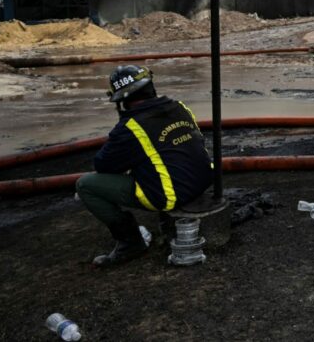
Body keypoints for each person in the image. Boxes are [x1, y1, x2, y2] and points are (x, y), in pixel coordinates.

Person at [76, 65, 213, 266]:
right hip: (202, 183)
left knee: (86, 185)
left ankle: (131, 243)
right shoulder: (180, 107)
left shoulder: (131, 127)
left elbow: (103, 165)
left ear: (123, 99)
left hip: (171, 195)